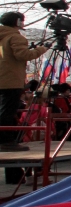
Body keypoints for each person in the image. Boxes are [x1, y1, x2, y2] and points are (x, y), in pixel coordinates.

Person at [0, 12, 49, 152]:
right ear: (17, 22)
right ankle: (6, 141)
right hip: (11, 80)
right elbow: (23, 55)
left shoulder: (2, 35)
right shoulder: (15, 36)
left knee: (3, 110)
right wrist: (42, 49)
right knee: (7, 112)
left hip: (2, 78)